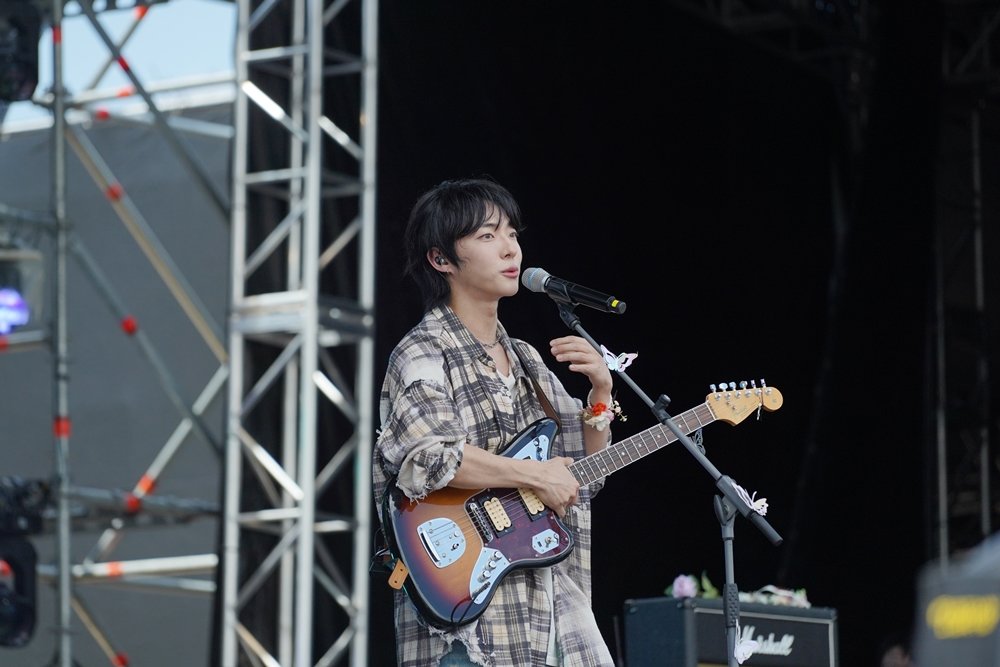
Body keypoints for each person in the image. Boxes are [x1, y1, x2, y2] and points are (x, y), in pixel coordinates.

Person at [372, 177, 618, 666]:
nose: (510, 248)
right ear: (440, 259)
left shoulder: (525, 358)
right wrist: (534, 474)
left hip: (553, 605)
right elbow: (432, 458)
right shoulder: (423, 353)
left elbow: (584, 473)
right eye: (487, 236)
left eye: (512, 233)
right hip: (469, 621)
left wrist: (601, 394)